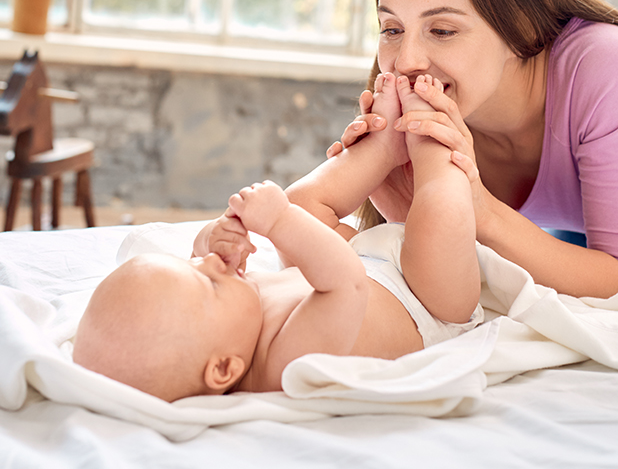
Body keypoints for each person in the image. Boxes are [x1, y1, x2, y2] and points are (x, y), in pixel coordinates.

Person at [72, 75, 483, 402]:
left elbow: (210, 261)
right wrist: (280, 221)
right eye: (209, 283)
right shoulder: (285, 361)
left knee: (303, 200)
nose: (211, 264)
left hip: (369, 260)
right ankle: (429, 136)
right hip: (428, 300)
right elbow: (345, 282)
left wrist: (213, 240)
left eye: (193, 265)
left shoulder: (231, 322)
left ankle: (384, 148)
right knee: (438, 219)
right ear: (223, 370)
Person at [326, 0, 618, 299]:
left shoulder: (606, 67)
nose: (406, 61)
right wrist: (400, 201)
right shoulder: (419, 98)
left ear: (520, 28)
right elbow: (446, 290)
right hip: (571, 237)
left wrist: (484, 212)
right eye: (392, 28)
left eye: (442, 30)